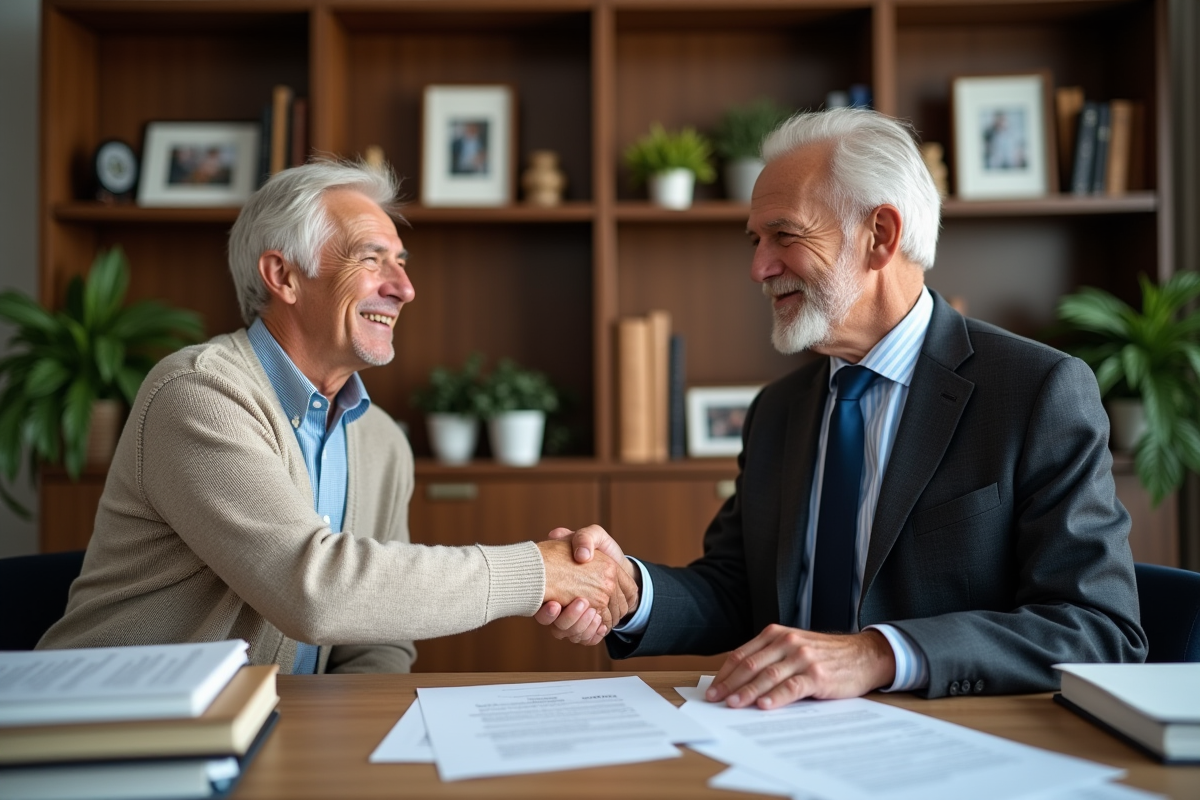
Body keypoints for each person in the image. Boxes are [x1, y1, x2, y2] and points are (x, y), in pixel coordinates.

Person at [537, 108, 1146, 704]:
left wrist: (878, 653)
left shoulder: (1037, 391)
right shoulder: (778, 409)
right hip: (780, 741)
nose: (758, 268)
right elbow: (738, 591)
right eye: (755, 240)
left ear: (880, 235)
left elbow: (1098, 630)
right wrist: (628, 591)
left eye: (785, 235)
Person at [39, 159, 635, 673]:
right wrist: (538, 573)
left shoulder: (382, 441)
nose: (404, 288)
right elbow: (315, 591)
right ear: (284, 277)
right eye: (372, 260)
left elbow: (375, 640)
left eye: (401, 263)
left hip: (263, 735)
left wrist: (354, 741)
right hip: (114, 729)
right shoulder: (199, 396)